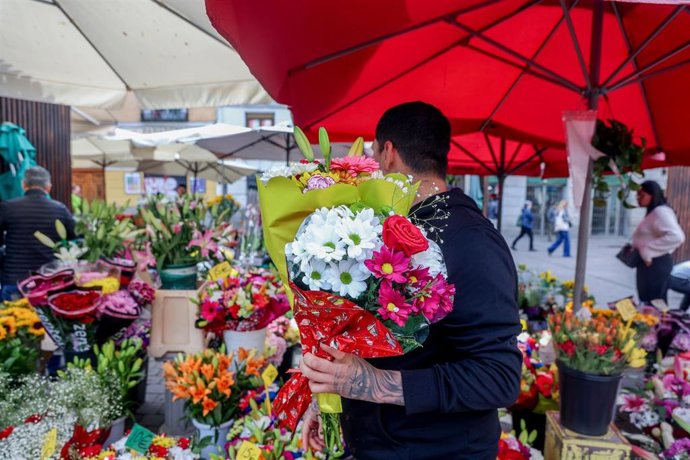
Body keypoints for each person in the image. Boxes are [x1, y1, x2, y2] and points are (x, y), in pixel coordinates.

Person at [299, 101, 522, 459]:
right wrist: (331, 399)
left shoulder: (473, 240)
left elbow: (499, 377)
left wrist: (376, 385)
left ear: (387, 153)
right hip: (377, 442)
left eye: (372, 154)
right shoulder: (387, 226)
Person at [0, 166, 76, 300]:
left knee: (13, 319)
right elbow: (74, 236)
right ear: (48, 187)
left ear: (23, 185)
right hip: (48, 280)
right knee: (46, 320)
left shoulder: (8, 207)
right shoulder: (60, 209)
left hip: (15, 279)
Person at [632, 180, 685, 304]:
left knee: (655, 303)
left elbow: (677, 236)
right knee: (649, 302)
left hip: (655, 263)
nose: (638, 198)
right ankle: (651, 323)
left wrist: (648, 250)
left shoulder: (661, 212)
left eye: (642, 195)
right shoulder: (654, 212)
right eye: (637, 195)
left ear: (653, 195)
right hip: (649, 263)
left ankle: (658, 323)